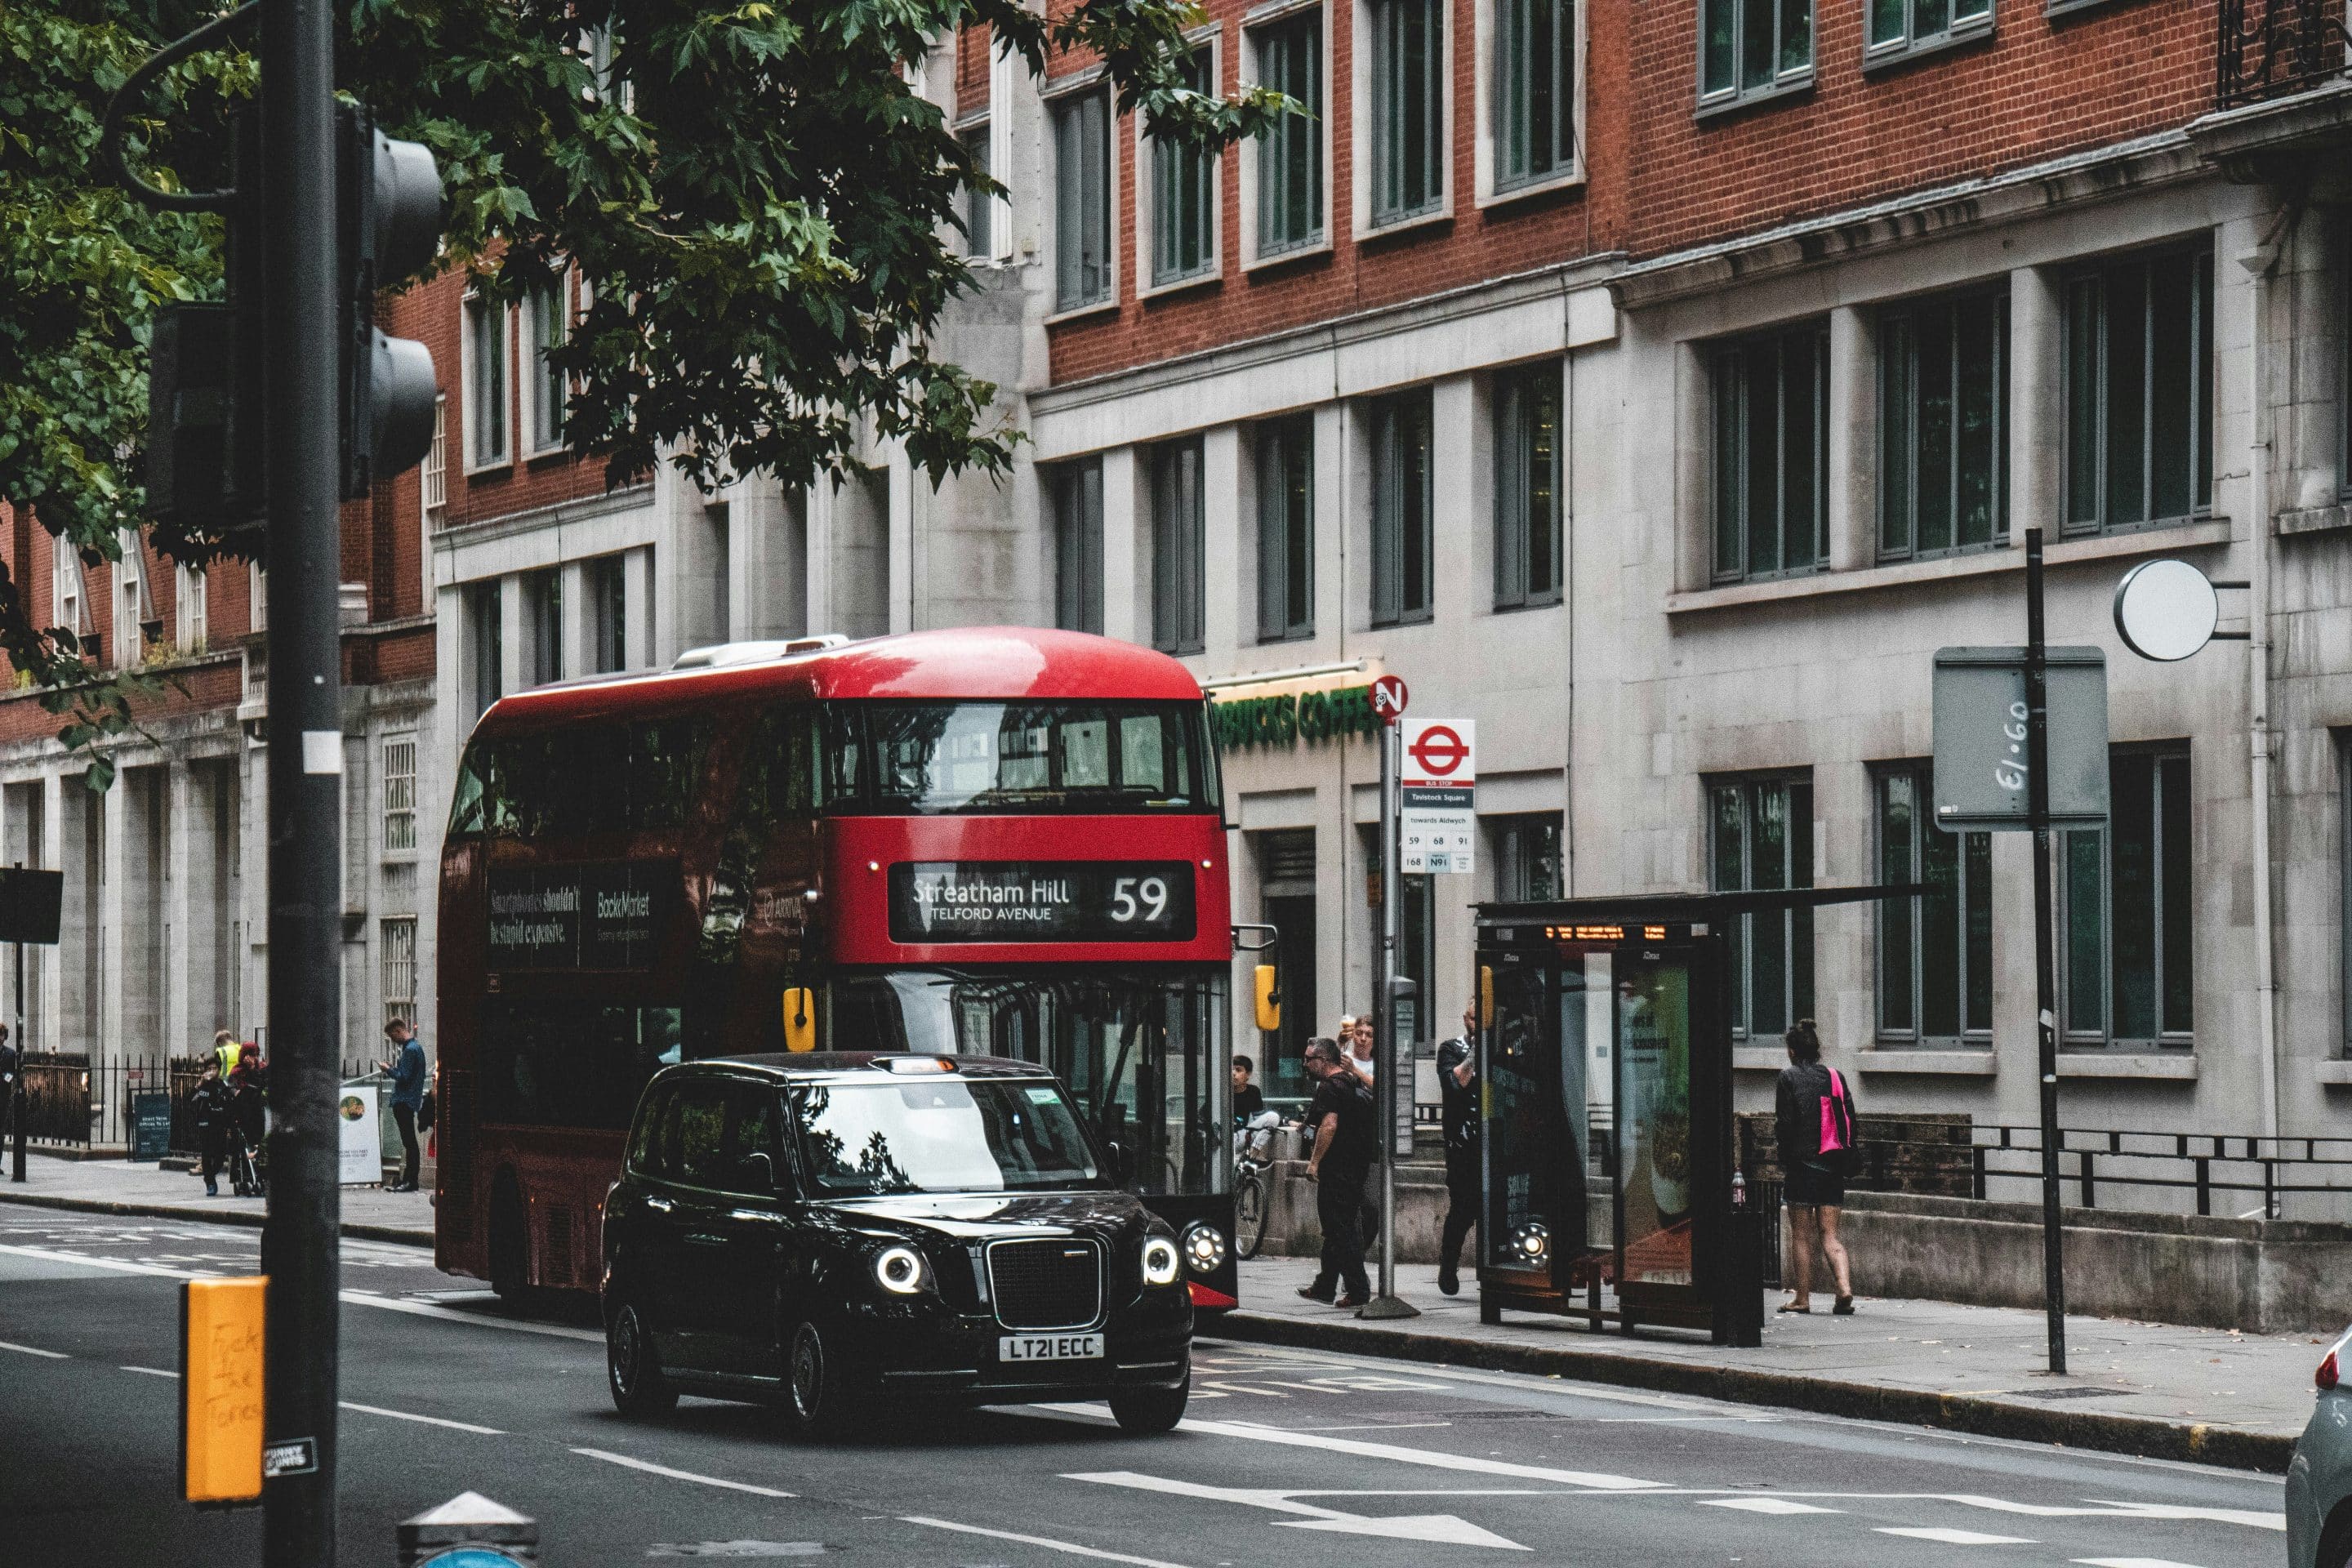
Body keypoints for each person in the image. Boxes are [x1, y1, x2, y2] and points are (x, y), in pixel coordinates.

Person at [1775, 1018, 1855, 1316]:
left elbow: (1785, 1125)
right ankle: (1844, 1288)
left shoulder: (1788, 1078)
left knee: (1800, 1235)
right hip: (1832, 1166)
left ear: (1793, 1051)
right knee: (1831, 1235)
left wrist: (1785, 1158)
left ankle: (1802, 1299)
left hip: (1802, 1166)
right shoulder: (1836, 1076)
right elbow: (1850, 1120)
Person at [1297, 1036, 1375, 1309]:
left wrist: (1314, 1162)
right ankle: (1325, 1286)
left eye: (1309, 1059)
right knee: (1337, 1227)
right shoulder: (1351, 1082)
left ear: (1323, 1060)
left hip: (1337, 1168)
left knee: (1341, 1229)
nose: (1305, 1064)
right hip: (1355, 1166)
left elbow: (1329, 1126)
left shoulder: (1329, 1087)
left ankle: (1358, 1290)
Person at [1434, 1004, 1481, 1296]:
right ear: (1466, 1019)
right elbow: (1456, 1083)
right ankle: (1448, 1267)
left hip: (1494, 1142)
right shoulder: (1451, 1048)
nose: (1479, 1023)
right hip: (1462, 1143)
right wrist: (1478, 1050)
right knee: (1463, 1209)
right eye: (1476, 1018)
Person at [378, 1018, 427, 1192]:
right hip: (410, 1100)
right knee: (410, 1142)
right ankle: (408, 1179)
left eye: (393, 1036)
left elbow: (404, 1077)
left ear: (399, 1031)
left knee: (410, 1142)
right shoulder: (416, 1048)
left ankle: (410, 1180)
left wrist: (388, 1069)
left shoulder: (410, 1051)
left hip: (404, 1101)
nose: (393, 1040)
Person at [188, 1060, 233, 1197]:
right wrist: (200, 1084)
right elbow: (190, 1099)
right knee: (207, 1155)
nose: (212, 1071)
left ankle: (209, 1176)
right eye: (209, 1068)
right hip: (205, 1124)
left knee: (220, 1156)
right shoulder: (203, 1086)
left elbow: (230, 1103)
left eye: (215, 1068)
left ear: (219, 1070)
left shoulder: (223, 1085)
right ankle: (211, 1184)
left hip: (220, 1124)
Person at [1231, 1055, 1264, 1124]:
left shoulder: (1253, 1091)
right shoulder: (1223, 1092)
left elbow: (1259, 1116)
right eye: (1231, 1069)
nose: (1233, 1073)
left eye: (1238, 1070)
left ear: (1248, 1074)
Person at [1345, 1014, 1378, 1081]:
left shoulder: (1379, 1064)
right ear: (1352, 1035)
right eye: (1358, 1033)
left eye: (1369, 1035)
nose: (1363, 1039)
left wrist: (1354, 1069)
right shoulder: (1344, 1059)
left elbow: (1379, 1087)